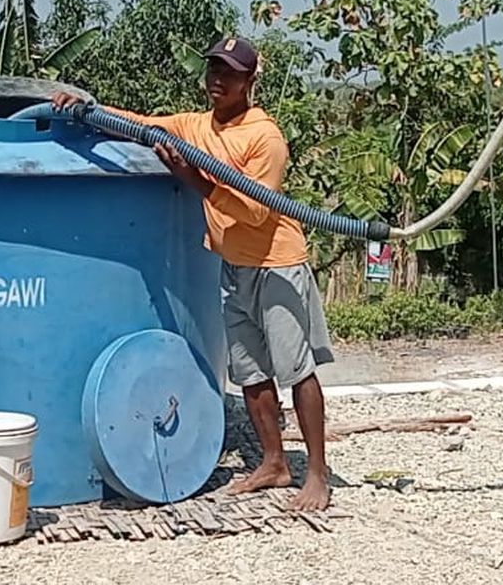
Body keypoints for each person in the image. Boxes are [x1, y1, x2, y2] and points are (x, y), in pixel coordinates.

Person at [51, 37, 334, 512]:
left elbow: (258, 214)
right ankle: (273, 463)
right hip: (234, 264)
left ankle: (319, 476)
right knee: (250, 368)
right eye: (213, 71)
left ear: (249, 82)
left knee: (295, 368)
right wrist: (87, 106)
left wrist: (197, 181)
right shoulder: (194, 126)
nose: (218, 81)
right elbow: (140, 126)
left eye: (230, 74)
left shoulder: (264, 137)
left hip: (277, 264)